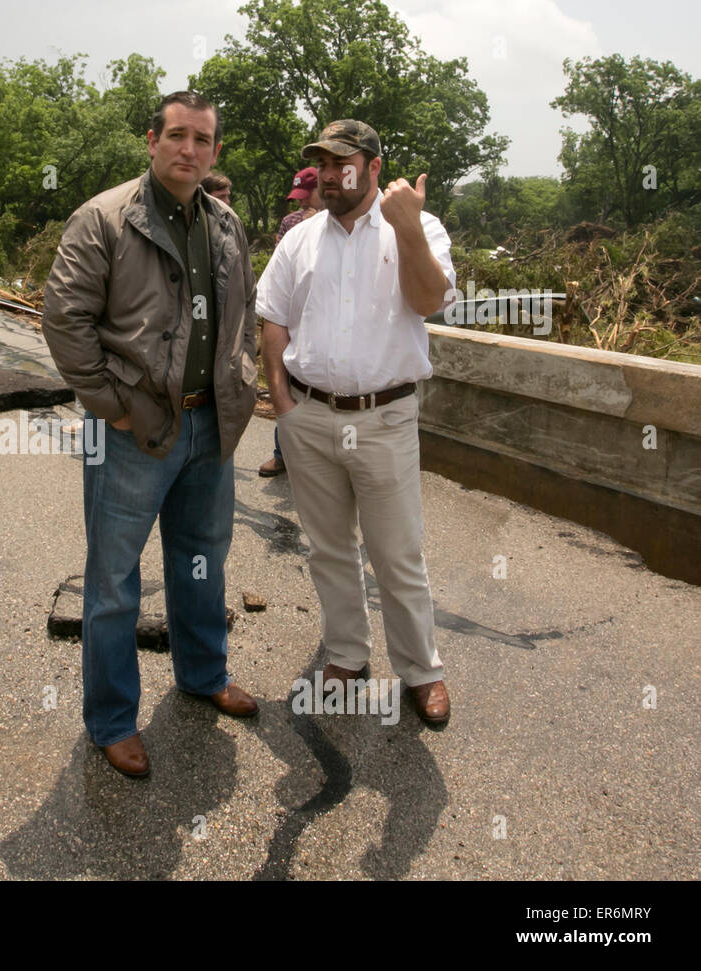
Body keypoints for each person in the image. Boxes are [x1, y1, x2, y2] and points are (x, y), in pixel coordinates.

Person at [42, 92, 261, 778]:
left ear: (215, 151)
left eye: (202, 139)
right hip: (132, 430)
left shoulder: (224, 224)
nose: (188, 149)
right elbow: (64, 320)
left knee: (202, 559)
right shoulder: (104, 219)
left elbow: (244, 316)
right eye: (176, 135)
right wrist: (112, 408)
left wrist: (240, 381)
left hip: (209, 425)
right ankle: (111, 719)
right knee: (113, 580)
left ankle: (202, 672)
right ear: (151, 140)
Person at [256, 120, 454, 726]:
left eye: (343, 162)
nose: (328, 174)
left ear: (372, 165)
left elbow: (429, 301)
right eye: (321, 162)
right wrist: (283, 405)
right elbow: (272, 318)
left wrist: (408, 227)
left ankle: (422, 671)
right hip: (310, 418)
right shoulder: (301, 238)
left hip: (383, 418)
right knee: (329, 548)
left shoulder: (418, 228)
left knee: (397, 554)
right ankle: (346, 653)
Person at [260, 166, 323, 478]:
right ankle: (281, 453)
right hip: (294, 317)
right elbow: (279, 268)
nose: (301, 203)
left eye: (306, 195)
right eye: (296, 197)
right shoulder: (291, 222)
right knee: (285, 386)